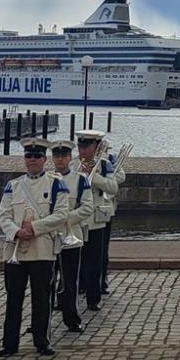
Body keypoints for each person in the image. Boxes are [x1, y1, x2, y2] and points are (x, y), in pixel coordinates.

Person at [0, 139, 75, 357]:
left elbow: (60, 215)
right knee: (13, 298)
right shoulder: (13, 185)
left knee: (41, 299)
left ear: (44, 159)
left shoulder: (56, 184)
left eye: (37, 157)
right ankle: (9, 343)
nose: (32, 160)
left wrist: (34, 227)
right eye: (28, 157)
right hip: (17, 248)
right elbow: (3, 215)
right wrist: (16, 231)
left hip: (42, 249)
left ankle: (42, 340)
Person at [75, 129, 117, 311]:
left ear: (96, 147)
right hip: (76, 219)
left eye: (87, 146)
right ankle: (69, 295)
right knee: (73, 261)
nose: (83, 150)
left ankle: (94, 297)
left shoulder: (104, 164)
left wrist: (94, 175)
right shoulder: (72, 163)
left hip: (95, 219)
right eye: (80, 146)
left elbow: (112, 186)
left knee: (94, 260)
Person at [48, 142, 87, 332]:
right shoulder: (45, 180)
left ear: (70, 158)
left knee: (70, 281)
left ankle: (72, 318)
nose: (60, 160)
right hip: (48, 237)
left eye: (64, 156)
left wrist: (64, 218)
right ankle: (42, 319)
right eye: (57, 156)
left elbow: (86, 208)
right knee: (45, 282)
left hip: (71, 236)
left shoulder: (80, 180)